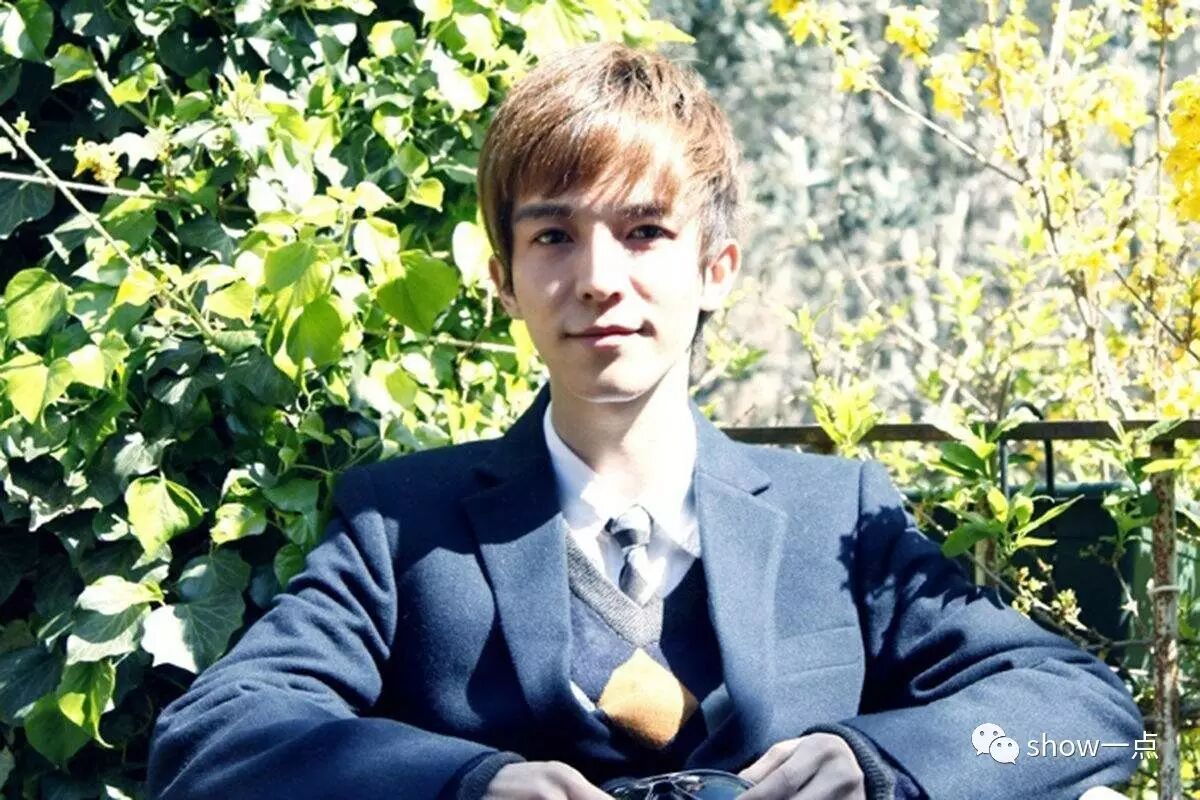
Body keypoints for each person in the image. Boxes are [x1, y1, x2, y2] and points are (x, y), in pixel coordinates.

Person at [146, 42, 1144, 800]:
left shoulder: (836, 514)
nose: (598, 279)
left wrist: (877, 760)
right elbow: (215, 735)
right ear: (504, 278)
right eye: (554, 234)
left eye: (645, 230)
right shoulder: (401, 524)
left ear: (717, 268)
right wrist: (468, 784)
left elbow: (1085, 715)